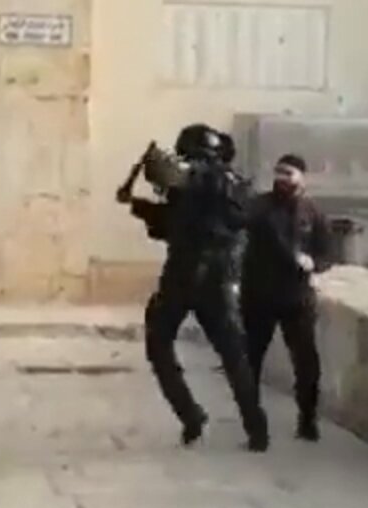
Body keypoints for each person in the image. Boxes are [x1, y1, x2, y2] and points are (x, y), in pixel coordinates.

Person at [116, 124, 270, 452]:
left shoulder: (216, 180)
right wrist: (139, 206)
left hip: (201, 279)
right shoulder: (197, 188)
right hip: (195, 278)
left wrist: (179, 174)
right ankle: (217, 421)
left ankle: (227, 422)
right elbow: (171, 224)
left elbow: (202, 182)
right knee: (222, 353)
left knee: (211, 351)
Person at [242, 154, 332, 442]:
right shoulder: (259, 207)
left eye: (288, 173)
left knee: (307, 364)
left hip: (297, 298)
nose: (281, 178)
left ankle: (307, 419)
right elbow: (238, 225)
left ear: (302, 177)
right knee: (250, 361)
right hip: (259, 295)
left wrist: (313, 263)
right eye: (278, 172)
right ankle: (254, 423)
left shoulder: (313, 212)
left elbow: (327, 253)